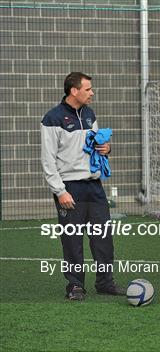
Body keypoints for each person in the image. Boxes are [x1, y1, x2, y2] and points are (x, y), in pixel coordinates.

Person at [41, 72, 124, 300]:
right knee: (73, 240)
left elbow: (95, 144)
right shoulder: (52, 119)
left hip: (94, 187)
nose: (92, 93)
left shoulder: (89, 114)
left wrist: (106, 148)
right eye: (88, 89)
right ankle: (75, 286)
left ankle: (105, 283)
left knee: (103, 238)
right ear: (74, 91)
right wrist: (60, 191)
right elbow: (48, 161)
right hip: (70, 188)